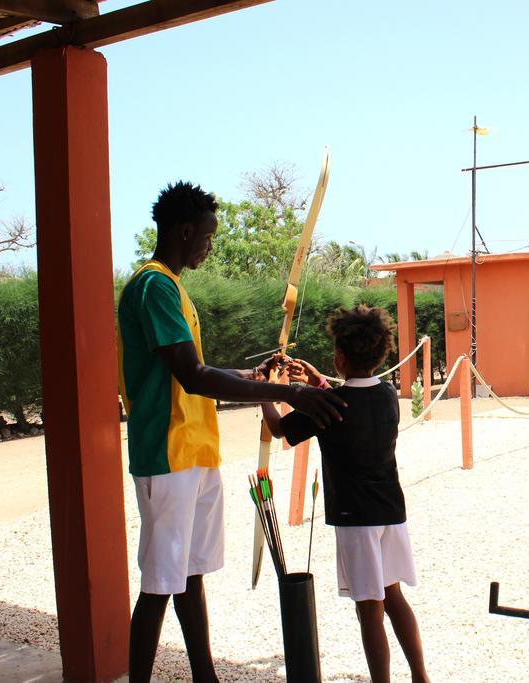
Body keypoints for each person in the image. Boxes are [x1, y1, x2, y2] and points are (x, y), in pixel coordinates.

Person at [116, 181, 346, 683]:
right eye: (207, 236)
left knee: (189, 574)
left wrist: (255, 378)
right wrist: (292, 395)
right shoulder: (153, 286)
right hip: (168, 452)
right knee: (160, 581)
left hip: (195, 451)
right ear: (183, 231)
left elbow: (195, 369)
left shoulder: (173, 289)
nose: (209, 245)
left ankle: (206, 676)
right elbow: (193, 375)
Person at [259, 305, 430, 683]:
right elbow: (349, 399)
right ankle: (421, 676)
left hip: (356, 518)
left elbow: (278, 430)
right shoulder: (386, 395)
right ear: (379, 353)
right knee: (394, 598)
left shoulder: (330, 404)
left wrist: (266, 390)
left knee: (369, 609)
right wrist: (317, 381)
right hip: (389, 511)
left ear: (339, 356)